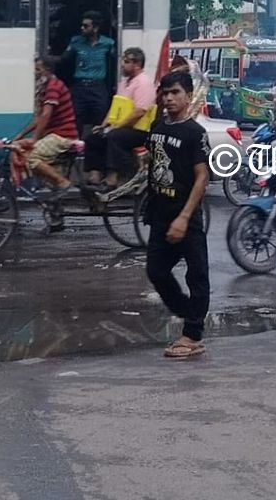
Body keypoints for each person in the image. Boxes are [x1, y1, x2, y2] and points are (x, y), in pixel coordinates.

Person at [144, 71, 210, 360]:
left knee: (197, 274)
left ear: (188, 95)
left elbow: (201, 177)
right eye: (165, 93)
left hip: (186, 216)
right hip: (160, 214)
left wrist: (184, 217)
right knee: (156, 271)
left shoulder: (195, 133)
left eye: (175, 93)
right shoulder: (158, 127)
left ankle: (193, 335)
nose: (169, 98)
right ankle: (188, 313)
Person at [9, 56, 78, 198]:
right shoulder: (46, 87)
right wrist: (20, 136)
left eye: (38, 69)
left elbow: (46, 115)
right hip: (55, 134)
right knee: (16, 146)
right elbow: (39, 118)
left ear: (48, 70)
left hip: (63, 136)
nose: (35, 72)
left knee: (31, 157)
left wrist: (34, 138)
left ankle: (62, 182)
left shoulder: (53, 87)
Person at [92, 47, 157, 189]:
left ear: (137, 64)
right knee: (95, 136)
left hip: (141, 131)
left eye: (126, 62)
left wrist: (117, 127)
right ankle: (95, 176)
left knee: (114, 136)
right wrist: (103, 126)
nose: (122, 65)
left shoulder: (143, 83)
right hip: (124, 127)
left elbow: (139, 112)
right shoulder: (124, 83)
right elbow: (115, 108)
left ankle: (113, 178)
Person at [60, 13, 116, 145]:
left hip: (98, 87)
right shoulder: (76, 41)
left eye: (86, 26)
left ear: (95, 28)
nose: (82, 28)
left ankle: (97, 151)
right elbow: (64, 59)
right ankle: (76, 150)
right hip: (80, 87)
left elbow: (116, 61)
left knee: (100, 118)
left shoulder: (108, 43)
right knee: (76, 119)